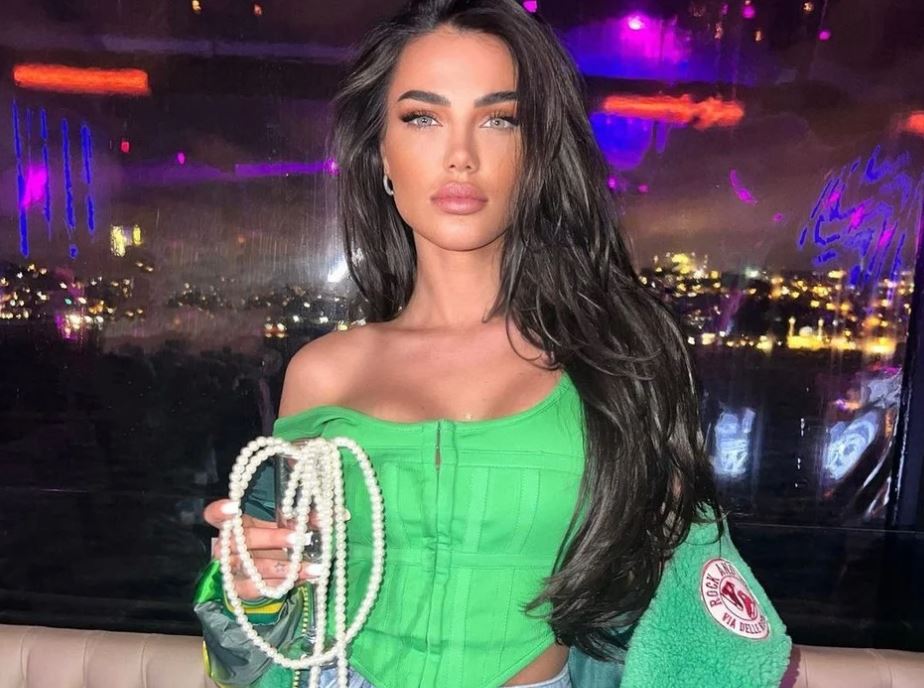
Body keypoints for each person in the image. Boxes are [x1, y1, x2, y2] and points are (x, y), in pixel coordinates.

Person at [193, 1, 794, 687]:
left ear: (537, 152)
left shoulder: (621, 363)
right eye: (422, 118)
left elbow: (680, 586)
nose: (461, 156)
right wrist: (255, 585)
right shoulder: (323, 373)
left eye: (499, 119)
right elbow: (275, 609)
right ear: (380, 152)